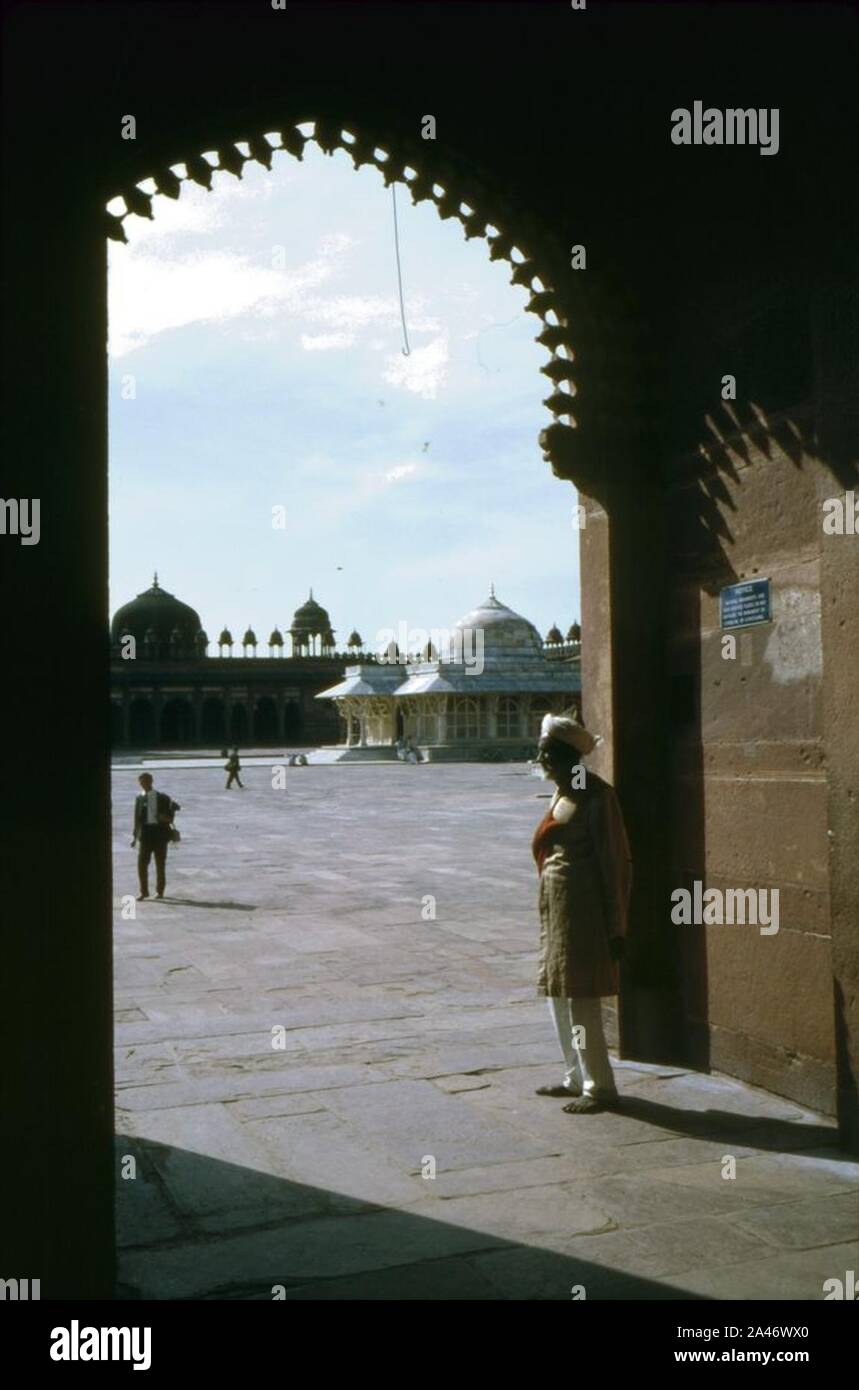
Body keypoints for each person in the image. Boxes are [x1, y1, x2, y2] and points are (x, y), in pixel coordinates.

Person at [531, 713, 632, 1114]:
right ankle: (574, 1075)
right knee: (558, 994)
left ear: (568, 759)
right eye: (541, 753)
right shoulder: (562, 792)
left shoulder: (596, 796)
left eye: (547, 754)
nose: (541, 761)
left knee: (581, 1000)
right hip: (559, 915)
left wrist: (616, 924)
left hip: (586, 916)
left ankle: (599, 1086)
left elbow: (616, 862)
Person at [131, 772, 181, 901]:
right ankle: (144, 892)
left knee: (160, 864)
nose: (143, 784)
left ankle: (160, 891)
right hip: (145, 836)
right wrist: (135, 836)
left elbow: (171, 816)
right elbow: (137, 819)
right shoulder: (139, 798)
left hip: (160, 835)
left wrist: (166, 818)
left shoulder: (162, 797)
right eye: (141, 782)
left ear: (151, 782)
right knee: (141, 864)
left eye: (145, 782)